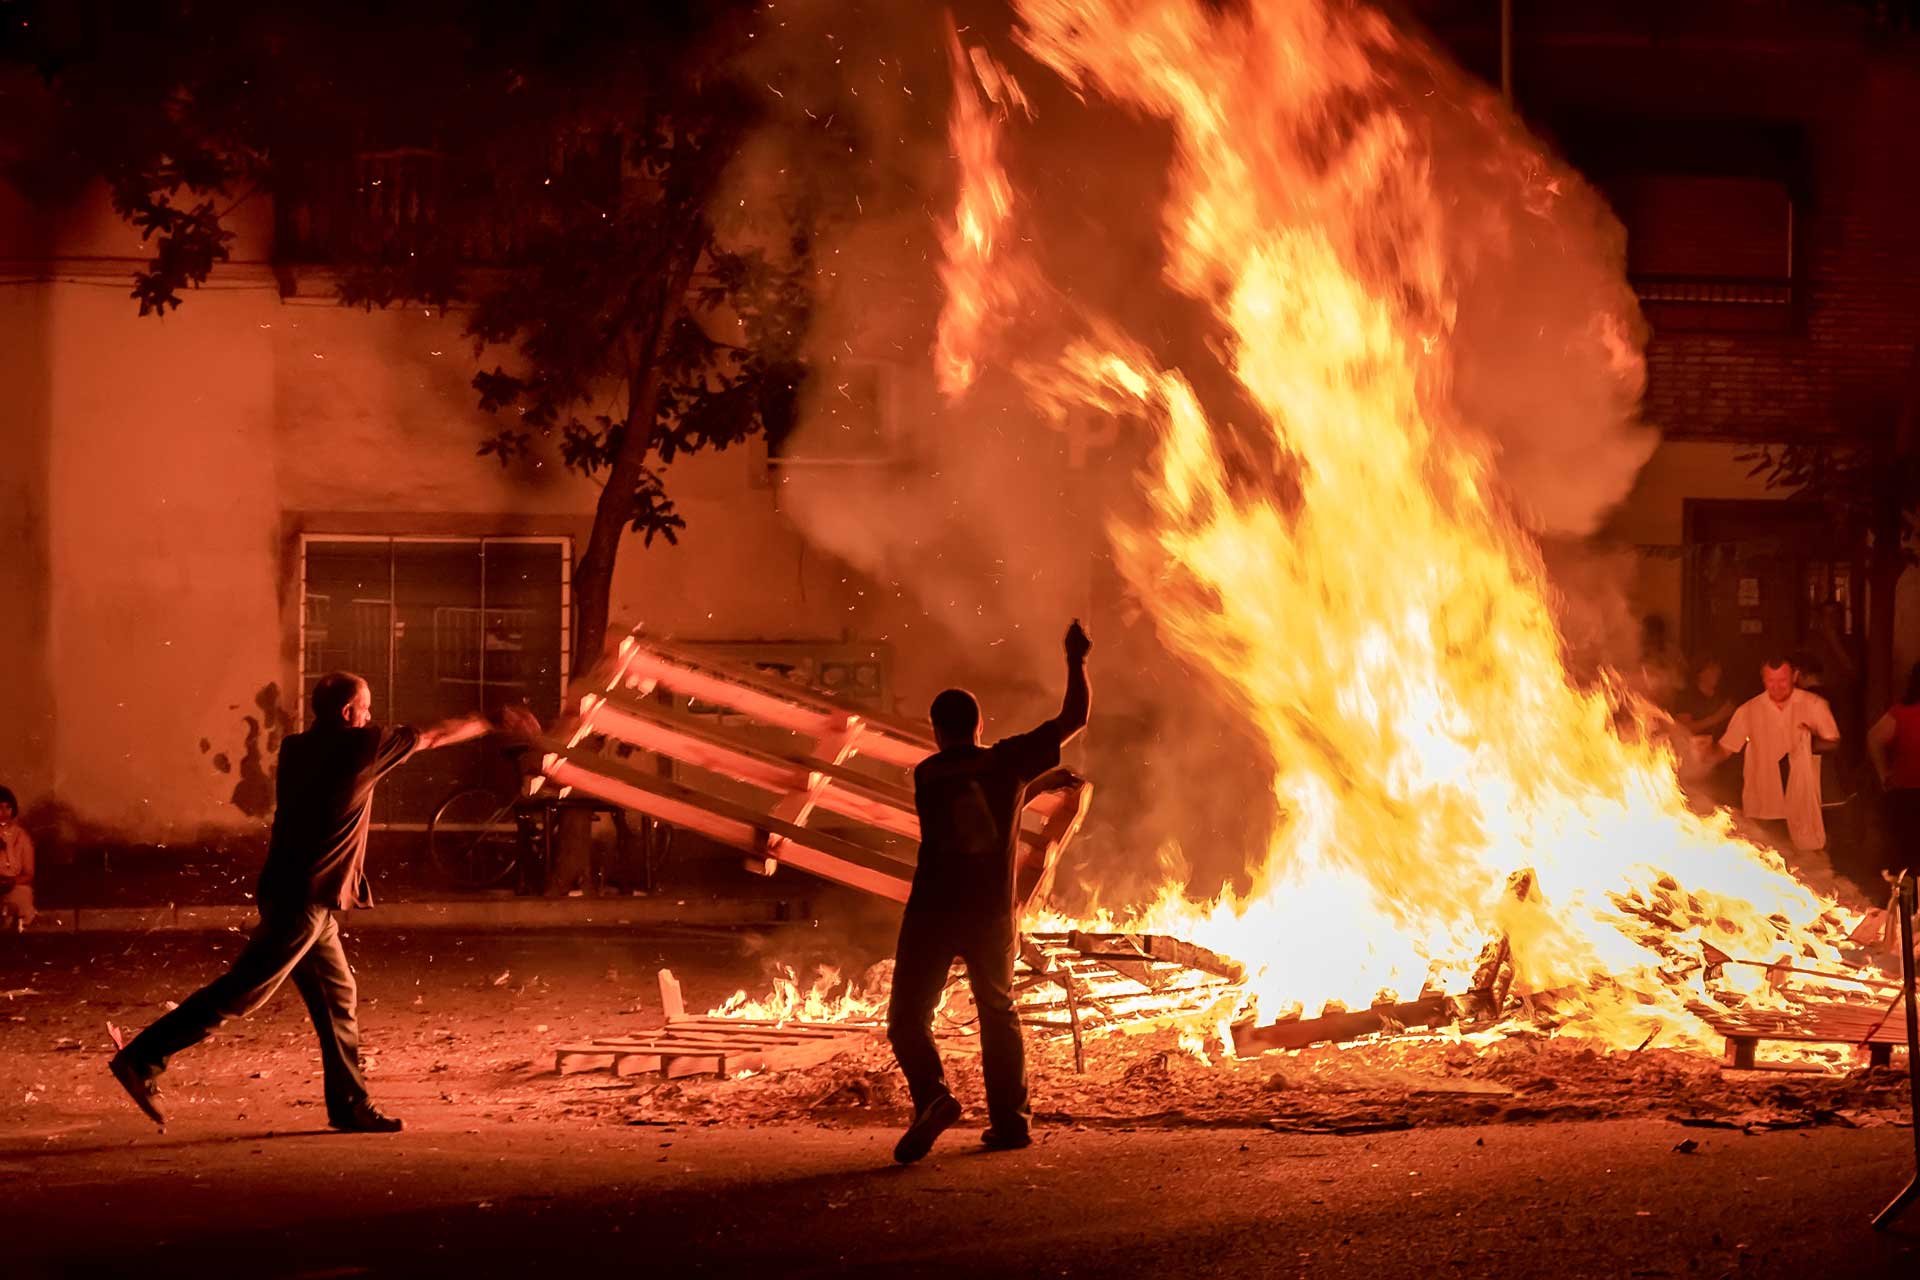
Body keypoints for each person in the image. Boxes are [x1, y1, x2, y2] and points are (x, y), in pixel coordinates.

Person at [108, 672, 534, 1132]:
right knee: (243, 992)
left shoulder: (296, 748)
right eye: (366, 708)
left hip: (293, 890)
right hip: (306, 897)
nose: (372, 715)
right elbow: (432, 736)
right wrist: (490, 720)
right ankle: (143, 1057)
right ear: (349, 713)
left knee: (337, 996)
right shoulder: (360, 747)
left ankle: (349, 1105)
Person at [887, 620, 1092, 1164]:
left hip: (931, 911)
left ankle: (932, 1096)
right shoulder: (1006, 762)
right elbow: (1074, 719)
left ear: (935, 731)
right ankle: (1011, 1124)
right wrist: (1075, 657)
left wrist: (1033, 785)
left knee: (907, 1017)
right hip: (988, 917)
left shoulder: (927, 774)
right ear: (980, 724)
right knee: (998, 1012)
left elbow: (973, 810)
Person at [1701, 654, 1842, 853]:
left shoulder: (1814, 705)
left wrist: (1810, 741)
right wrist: (1701, 757)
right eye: (1771, 681)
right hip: (1762, 805)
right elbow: (1725, 749)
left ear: (1794, 676)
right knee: (1768, 861)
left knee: (1810, 866)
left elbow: (1833, 743)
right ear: (1763, 679)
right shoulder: (1748, 710)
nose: (1776, 687)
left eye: (1782, 680)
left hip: (1804, 806)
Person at [1867, 664, 1920, 878]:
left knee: (1905, 861)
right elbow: (1874, 738)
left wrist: (1884, 774)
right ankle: (1906, 908)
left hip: (1903, 796)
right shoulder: (1902, 713)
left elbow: (1874, 738)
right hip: (1905, 797)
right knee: (1905, 861)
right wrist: (1884, 774)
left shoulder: (1901, 713)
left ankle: (1907, 907)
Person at [0, 785, 36, 931]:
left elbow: (29, 874)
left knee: (22, 895)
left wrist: (12, 881)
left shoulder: (22, 837)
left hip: (13, 886)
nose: (3, 812)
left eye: (8, 807)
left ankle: (14, 931)